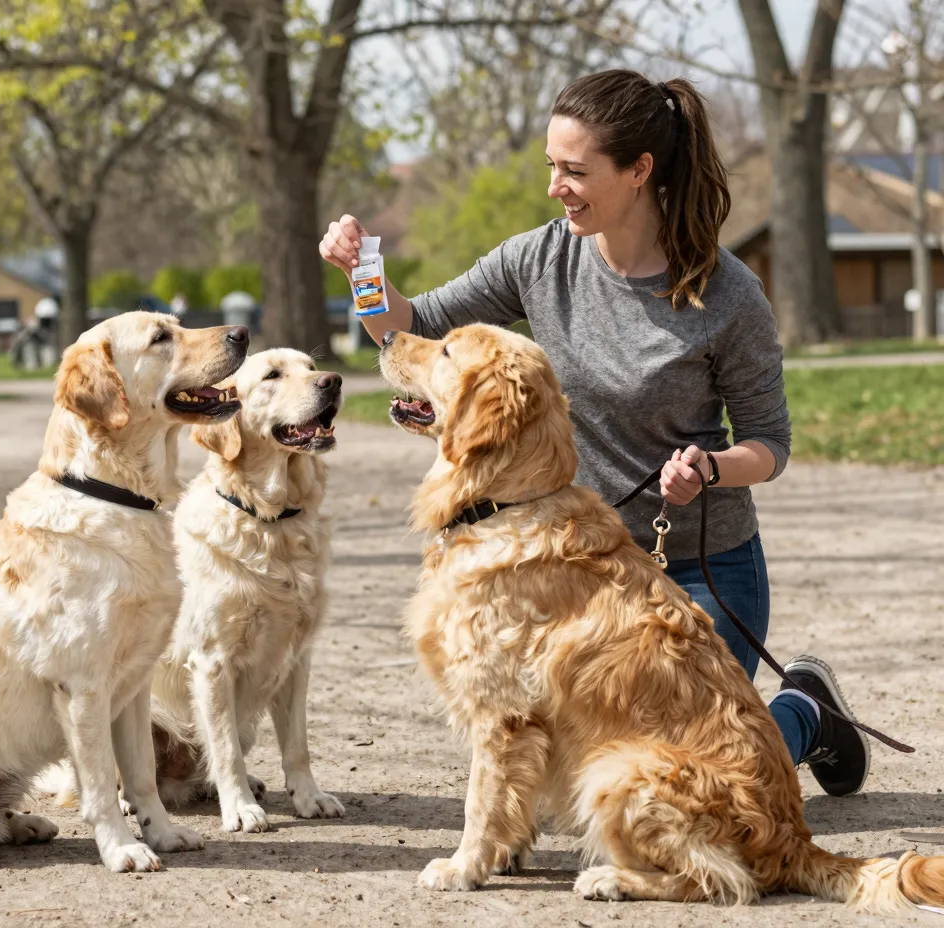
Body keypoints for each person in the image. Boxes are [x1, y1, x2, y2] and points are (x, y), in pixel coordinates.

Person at [320, 69, 869, 797]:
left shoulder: (729, 295)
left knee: (716, 764)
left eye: (574, 171)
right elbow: (411, 333)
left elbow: (769, 443)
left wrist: (710, 467)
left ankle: (803, 709)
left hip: (699, 568)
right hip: (579, 570)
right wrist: (362, 270)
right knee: (596, 755)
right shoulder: (538, 258)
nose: (556, 186)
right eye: (553, 166)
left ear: (639, 170)